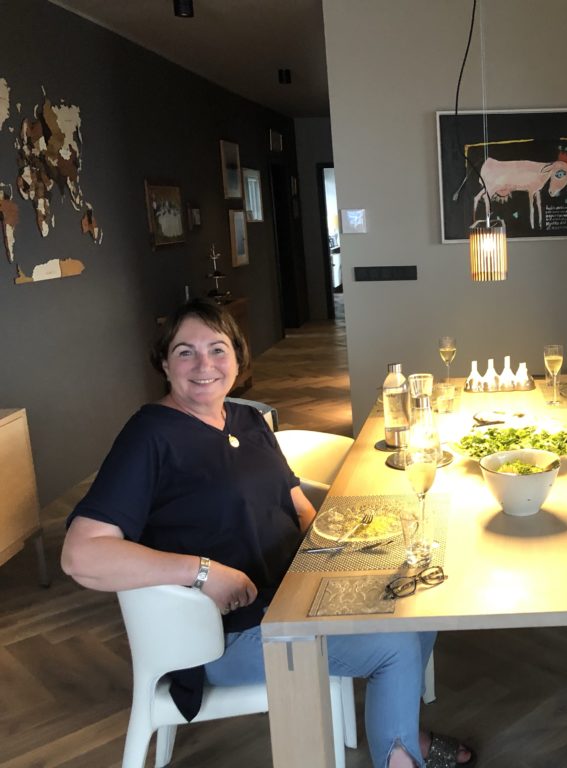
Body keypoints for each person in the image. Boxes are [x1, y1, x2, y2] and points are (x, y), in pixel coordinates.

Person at [61, 298, 473, 768]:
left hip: (295, 593)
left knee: (417, 602)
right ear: (164, 363)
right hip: (224, 633)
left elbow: (294, 501)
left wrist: (348, 557)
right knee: (393, 646)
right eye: (185, 352)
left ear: (238, 358)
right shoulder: (149, 436)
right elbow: (81, 555)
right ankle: (401, 756)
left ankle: (402, 731)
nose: (204, 365)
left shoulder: (246, 419)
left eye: (218, 349)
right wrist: (203, 572)